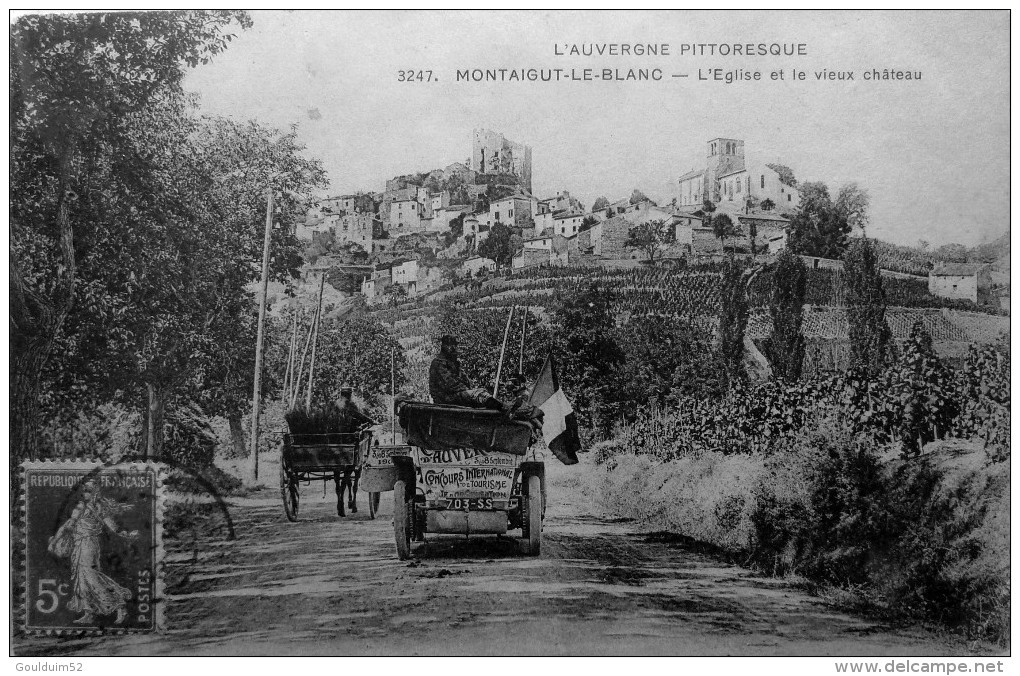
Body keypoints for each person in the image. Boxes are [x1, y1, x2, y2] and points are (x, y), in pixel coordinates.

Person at [48, 480, 138, 624]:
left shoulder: (99, 508)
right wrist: (54, 541)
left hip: (89, 544)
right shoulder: (81, 507)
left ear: (95, 491)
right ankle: (89, 613)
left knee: (91, 576)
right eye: (85, 490)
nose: (86, 493)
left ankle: (120, 605)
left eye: (89, 490)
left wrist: (128, 534)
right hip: (79, 545)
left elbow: (113, 527)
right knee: (81, 579)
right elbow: (68, 525)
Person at [428, 335, 504, 410]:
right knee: (479, 395)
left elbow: (465, 380)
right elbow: (449, 384)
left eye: (454, 345)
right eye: (450, 345)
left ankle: (503, 409)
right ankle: (503, 409)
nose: (453, 348)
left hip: (453, 397)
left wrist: (468, 389)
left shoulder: (453, 363)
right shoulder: (438, 363)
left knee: (481, 396)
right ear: (444, 346)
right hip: (444, 399)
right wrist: (469, 391)